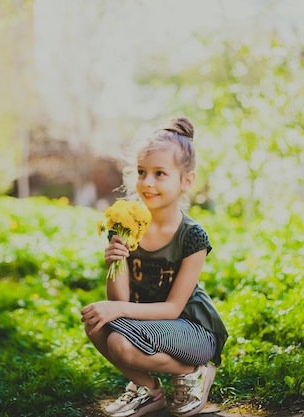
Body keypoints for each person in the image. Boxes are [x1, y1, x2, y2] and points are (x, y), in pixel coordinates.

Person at [81, 116, 228, 417]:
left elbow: (173, 309)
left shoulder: (192, 236)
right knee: (96, 322)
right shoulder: (126, 227)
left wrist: (117, 312)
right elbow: (120, 302)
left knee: (121, 343)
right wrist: (116, 262)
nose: (147, 183)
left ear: (186, 181)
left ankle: (195, 371)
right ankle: (149, 390)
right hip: (146, 325)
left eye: (160, 173)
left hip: (191, 330)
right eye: (142, 172)